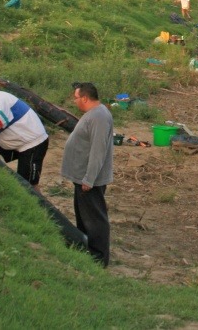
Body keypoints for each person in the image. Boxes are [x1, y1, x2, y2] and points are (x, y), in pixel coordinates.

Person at [61, 82, 114, 267]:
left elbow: (98, 150)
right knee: (84, 218)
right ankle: (86, 253)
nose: (74, 101)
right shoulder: (93, 114)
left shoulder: (99, 117)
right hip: (83, 177)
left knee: (95, 220)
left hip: (89, 180)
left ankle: (98, 260)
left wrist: (89, 178)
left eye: (75, 98)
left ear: (84, 98)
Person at [0, 83, 49, 185]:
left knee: (28, 186)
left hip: (33, 144)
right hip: (21, 139)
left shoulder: (0, 100)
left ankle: (37, 201)